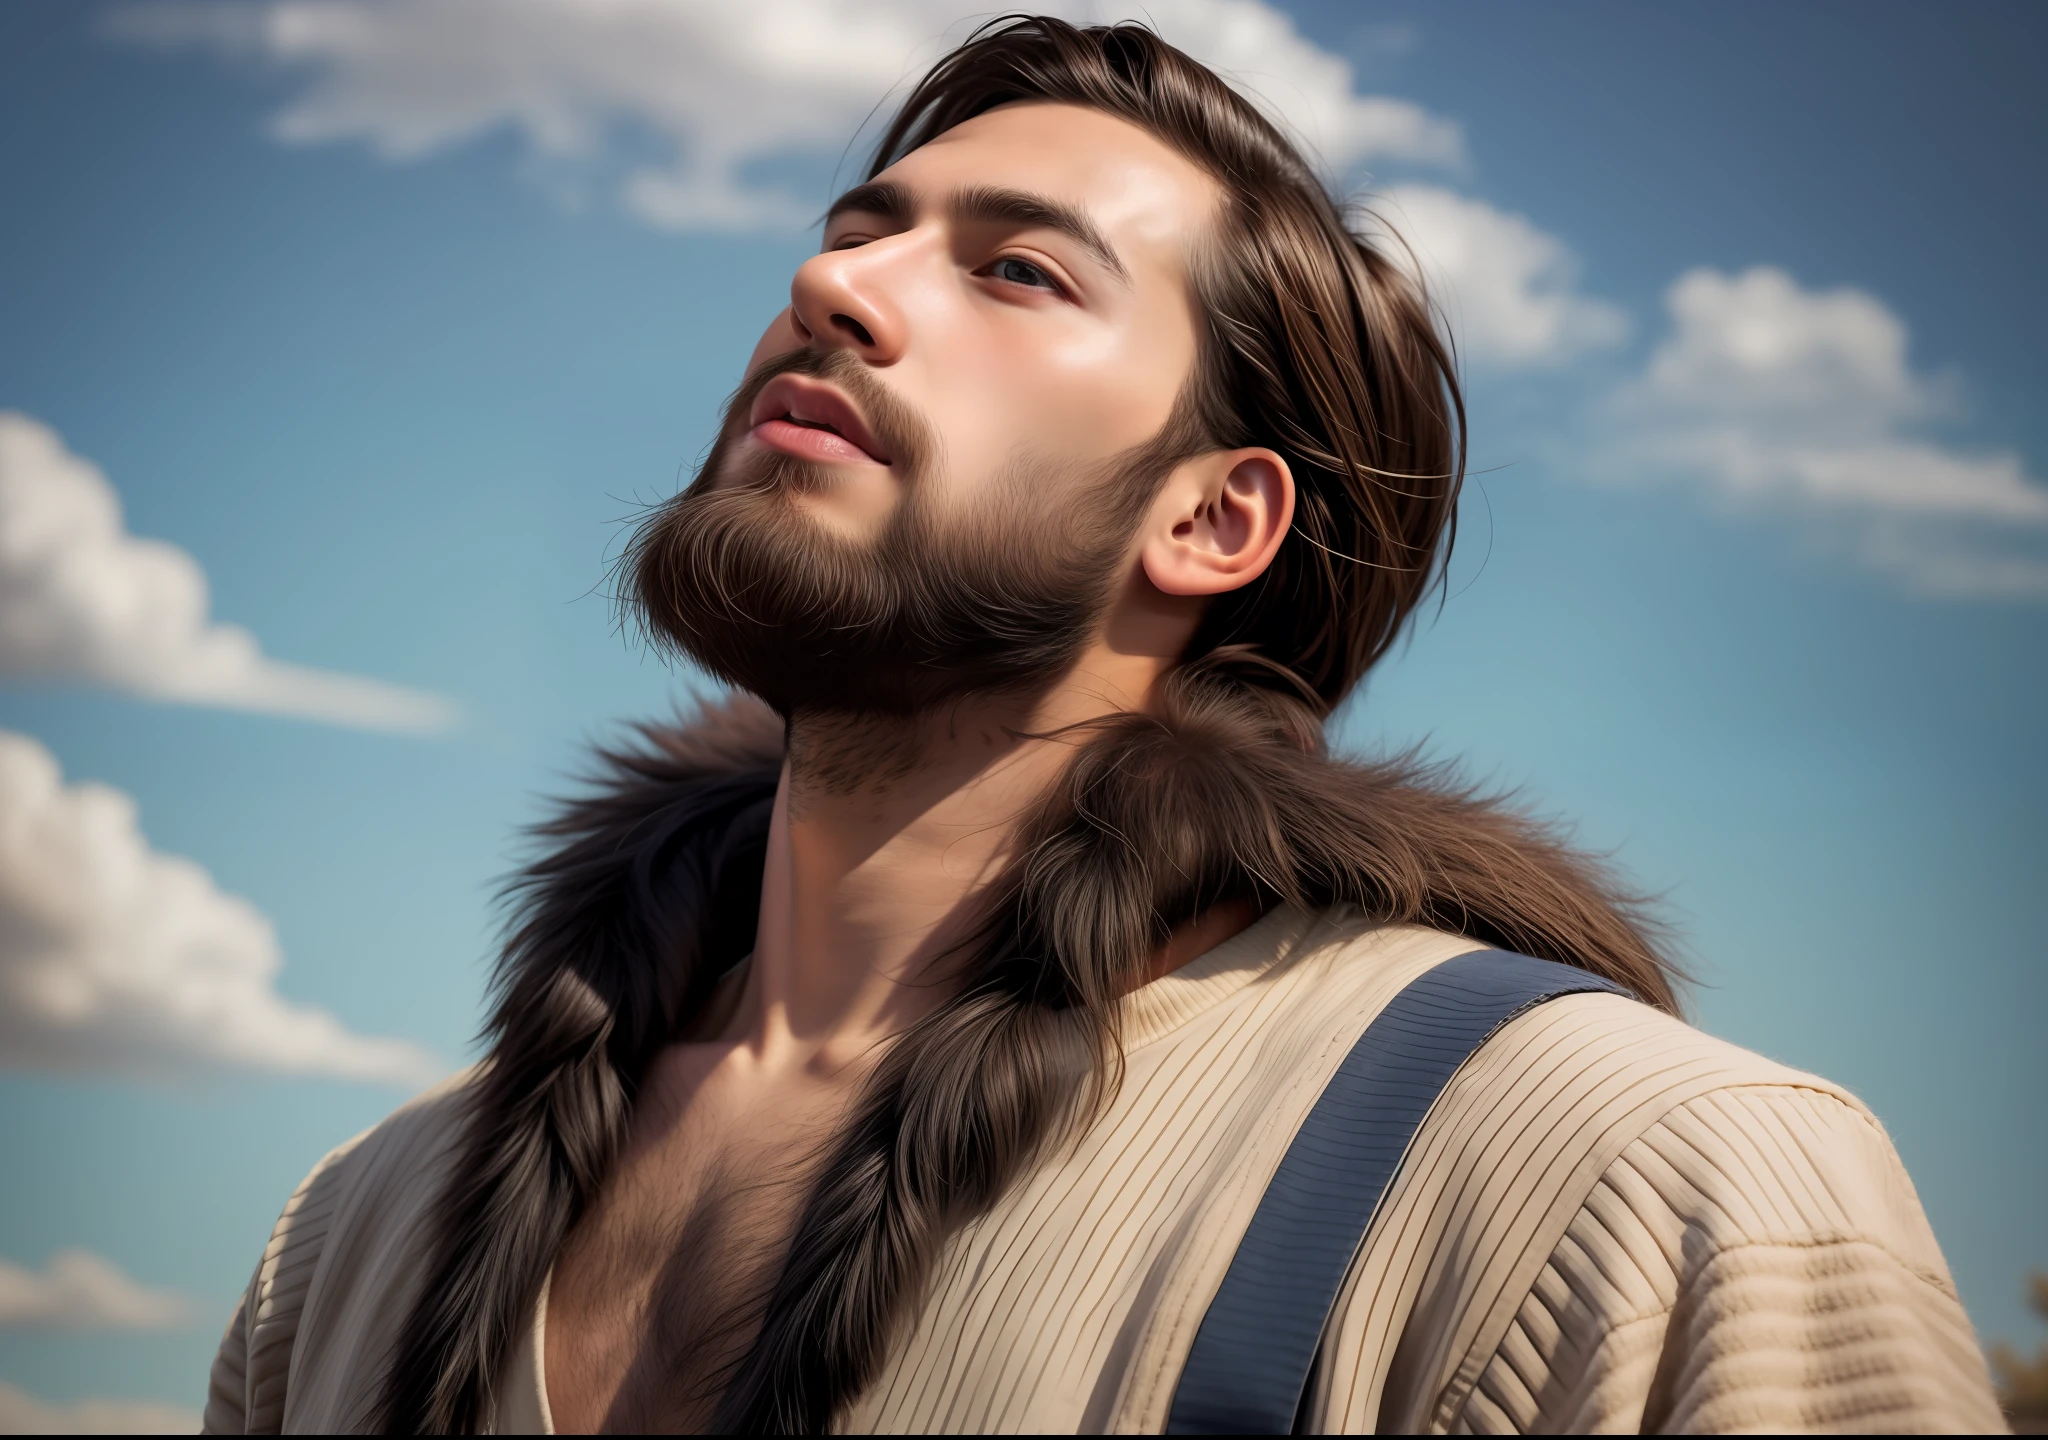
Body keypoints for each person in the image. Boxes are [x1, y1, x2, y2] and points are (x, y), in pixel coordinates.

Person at [201, 18, 2004, 1435]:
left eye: (1021, 273)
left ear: (1211, 520)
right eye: (856, 235)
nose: (839, 289)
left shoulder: (1625, 1184)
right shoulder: (353, 1239)